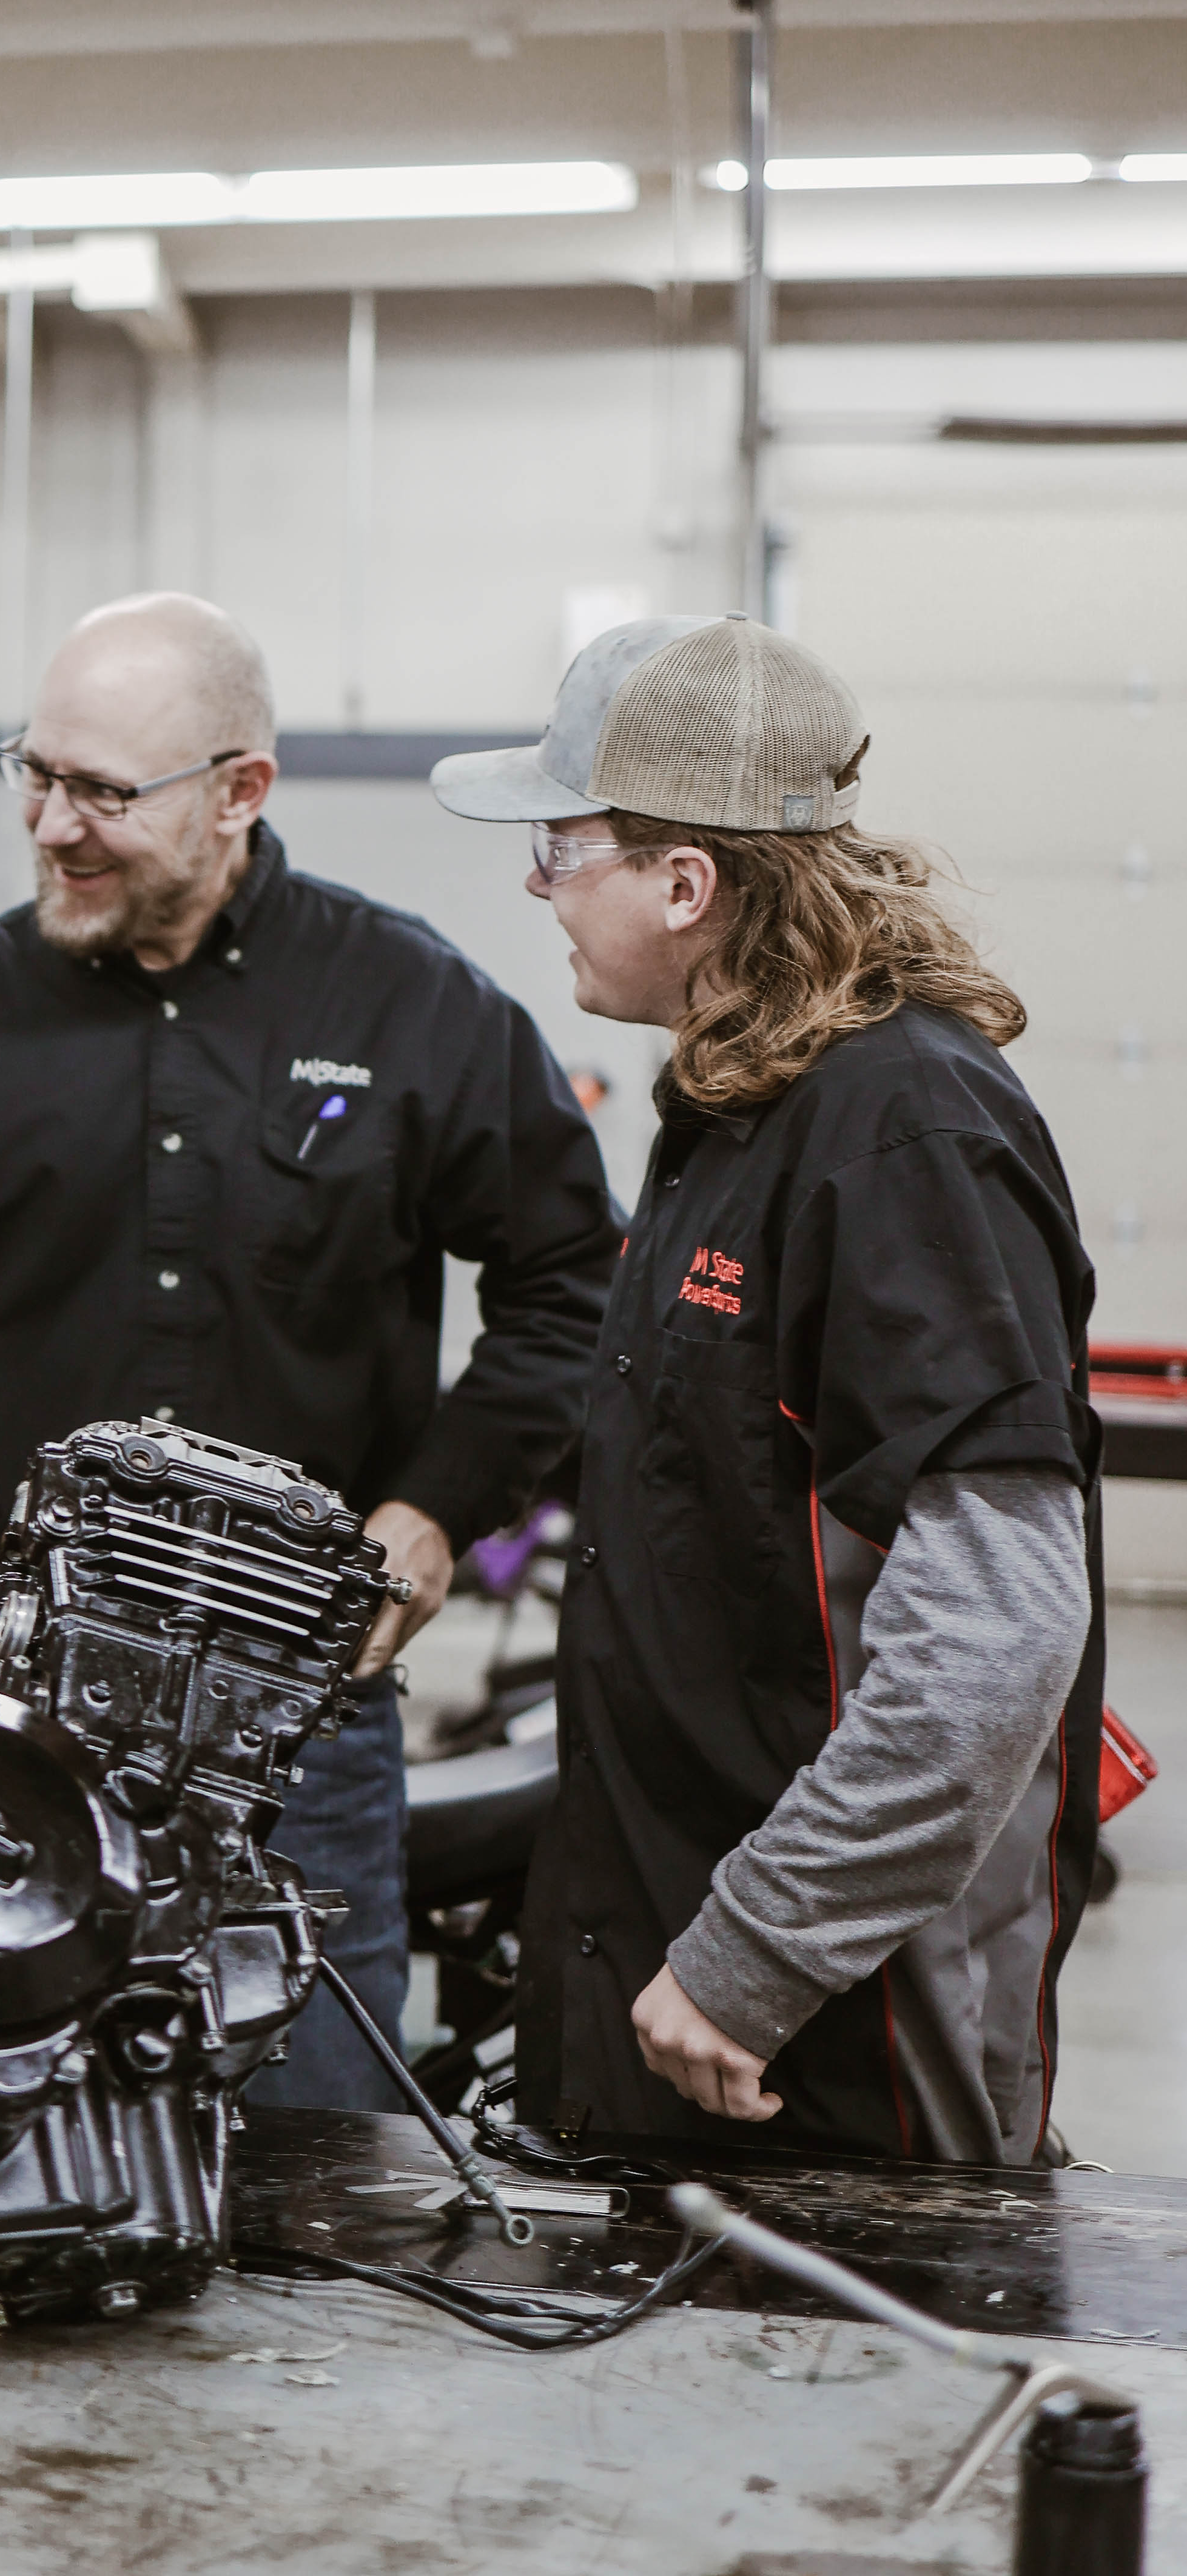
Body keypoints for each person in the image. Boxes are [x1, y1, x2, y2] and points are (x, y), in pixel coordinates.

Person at [0, 591, 619, 2107]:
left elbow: (575, 1281)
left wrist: (440, 1506)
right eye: (33, 773)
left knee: (310, 2148)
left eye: (103, 791)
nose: (49, 824)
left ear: (241, 791)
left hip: (290, 1699)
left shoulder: (412, 1004)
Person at [431, 614, 1101, 2159]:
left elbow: (995, 1638)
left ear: (685, 882)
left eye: (559, 844)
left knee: (869, 2394)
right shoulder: (740, 1107)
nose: (540, 886)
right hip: (684, 1976)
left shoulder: (901, 1133)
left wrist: (758, 1952)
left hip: (833, 2028)